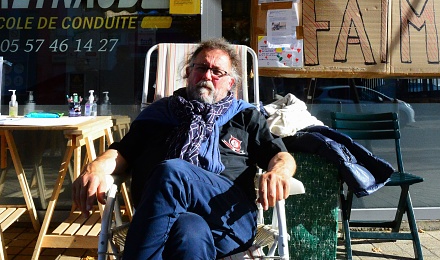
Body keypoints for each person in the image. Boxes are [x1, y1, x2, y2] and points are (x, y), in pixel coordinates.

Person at [73, 38, 296, 259]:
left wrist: (279, 172)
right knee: (189, 231)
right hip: (164, 223)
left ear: (231, 84)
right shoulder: (158, 114)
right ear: (188, 73)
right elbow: (123, 151)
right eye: (201, 68)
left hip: (227, 221)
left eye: (217, 72)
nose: (208, 76)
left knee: (171, 173)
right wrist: (96, 167)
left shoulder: (244, 117)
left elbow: (280, 155)